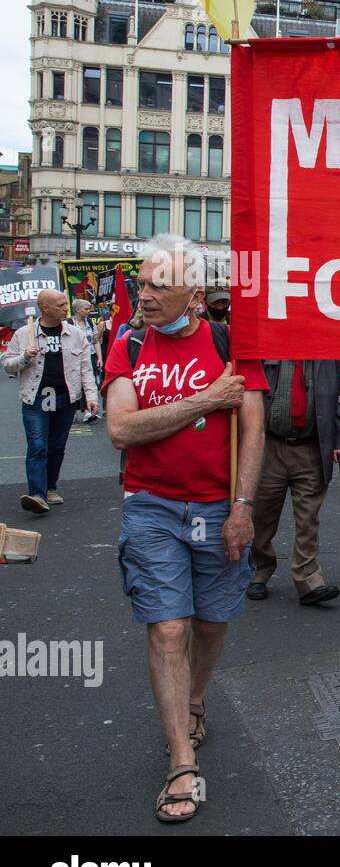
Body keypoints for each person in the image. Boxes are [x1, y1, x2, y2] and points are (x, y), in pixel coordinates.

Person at [102, 233, 268, 822]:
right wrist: (204, 400)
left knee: (212, 621)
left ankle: (195, 697)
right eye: (141, 282)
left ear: (192, 295)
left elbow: (252, 430)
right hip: (151, 506)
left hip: (219, 508)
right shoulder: (126, 343)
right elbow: (122, 430)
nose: (142, 295)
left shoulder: (231, 344)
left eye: (156, 286)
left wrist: (243, 508)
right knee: (169, 628)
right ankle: (180, 761)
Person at [246, 360, 340, 606]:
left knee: (308, 519)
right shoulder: (270, 348)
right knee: (262, 514)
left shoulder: (329, 354)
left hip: (311, 448)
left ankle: (308, 579)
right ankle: (259, 569)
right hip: (270, 446)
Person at [3, 288, 99, 513]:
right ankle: (37, 494)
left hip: (66, 398)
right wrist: (24, 357)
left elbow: (86, 368)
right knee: (37, 446)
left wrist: (91, 397)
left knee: (56, 447)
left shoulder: (75, 334)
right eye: (60, 305)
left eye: (66, 304)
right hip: (35, 399)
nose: (66, 308)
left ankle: (50, 487)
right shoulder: (24, 334)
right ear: (44, 308)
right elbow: (7, 365)